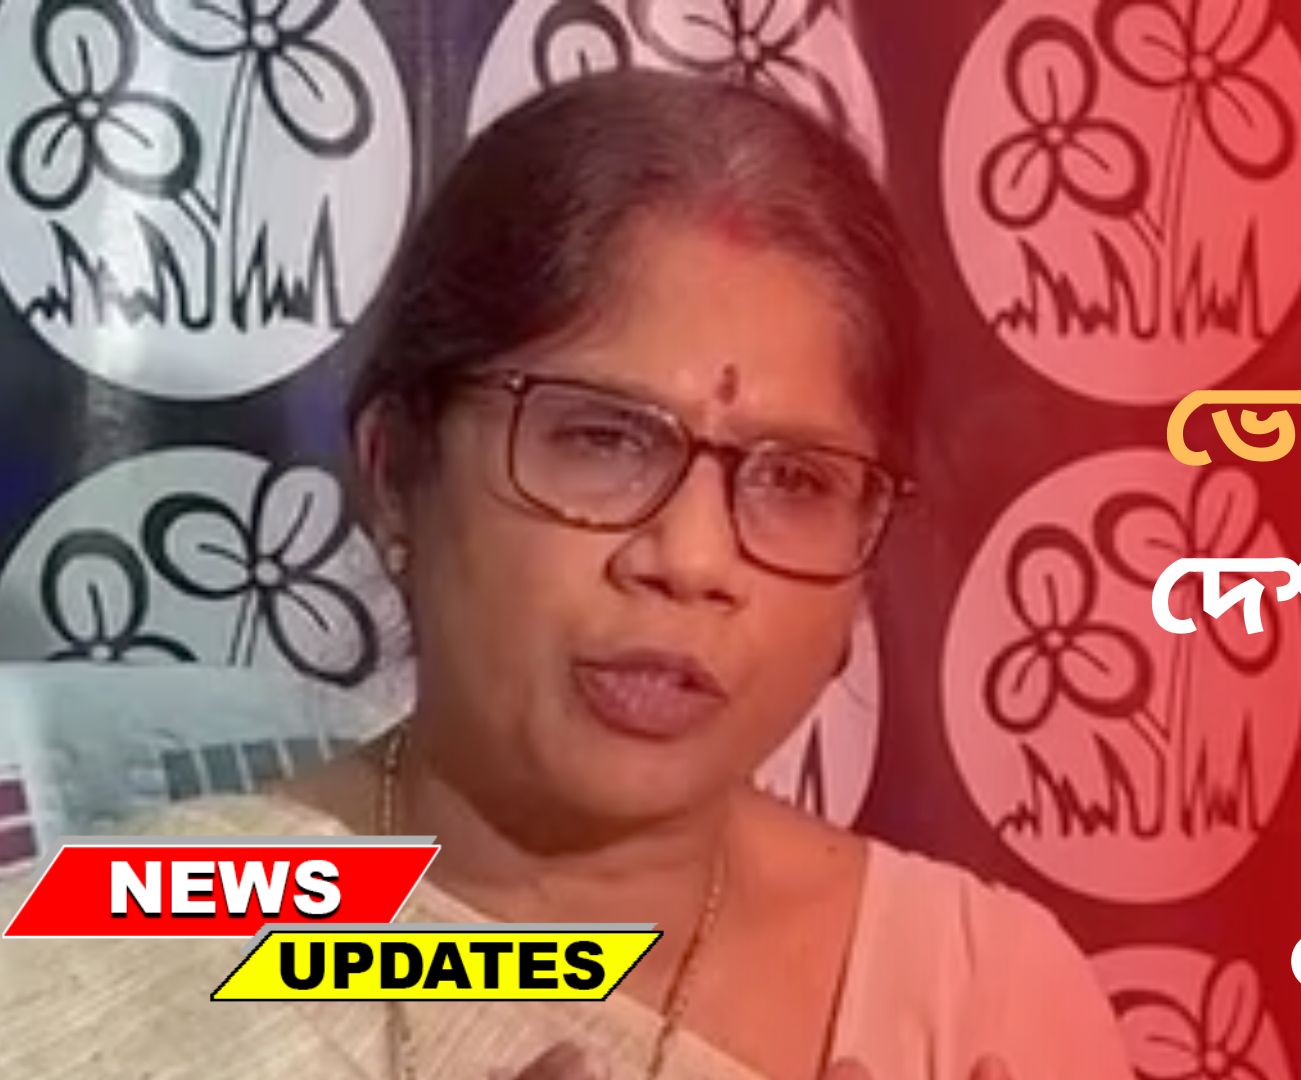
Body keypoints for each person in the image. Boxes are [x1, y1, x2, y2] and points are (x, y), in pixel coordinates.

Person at [0, 70, 1134, 1080]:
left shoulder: (983, 994)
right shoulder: (126, 933)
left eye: (795, 478)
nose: (692, 560)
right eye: (600, 439)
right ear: (396, 471)